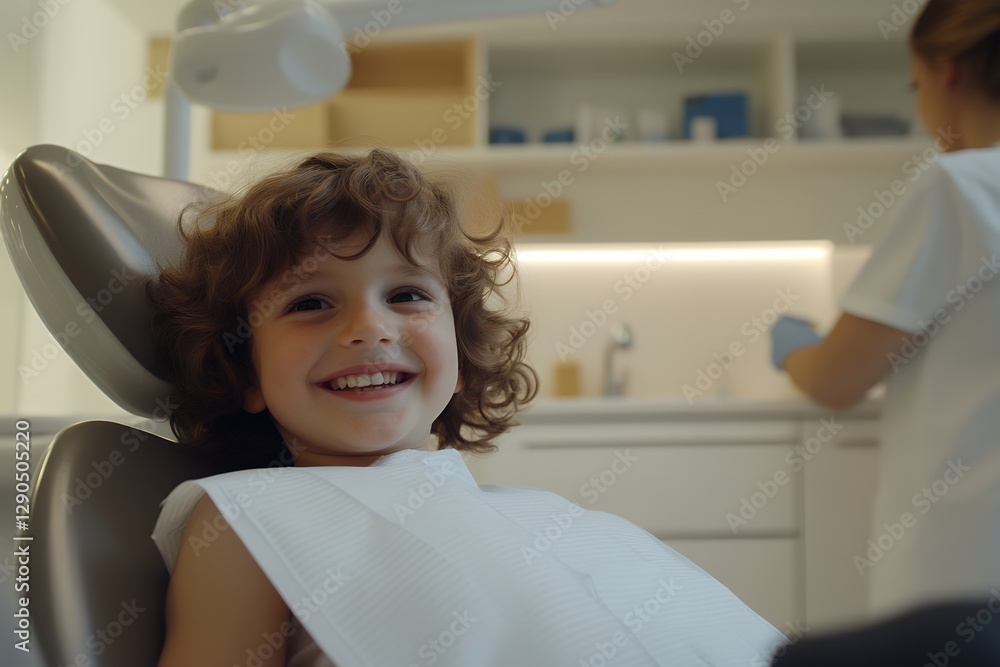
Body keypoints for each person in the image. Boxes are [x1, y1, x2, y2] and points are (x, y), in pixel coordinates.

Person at [149, 149, 784, 667]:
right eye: (310, 304)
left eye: (405, 294)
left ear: (459, 355)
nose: (370, 328)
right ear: (244, 370)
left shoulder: (521, 514)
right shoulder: (247, 520)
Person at [771, 0, 1000, 620]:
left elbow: (838, 380)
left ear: (946, 71)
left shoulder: (959, 185)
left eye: (915, 84)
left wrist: (794, 351)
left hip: (964, 560)